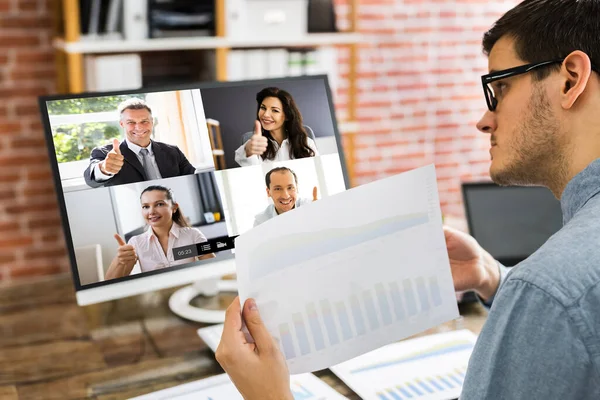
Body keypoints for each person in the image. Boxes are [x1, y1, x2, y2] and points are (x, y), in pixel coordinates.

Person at [215, 0, 600, 399]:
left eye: (500, 88)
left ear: (570, 80)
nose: (484, 119)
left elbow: (562, 302)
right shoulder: (555, 290)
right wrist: (495, 278)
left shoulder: (550, 290)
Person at [104, 185, 215, 280]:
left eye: (159, 204)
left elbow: (214, 268)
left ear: (174, 208)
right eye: (146, 206)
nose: (151, 211)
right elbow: (109, 284)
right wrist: (119, 261)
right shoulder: (135, 243)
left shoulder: (193, 235)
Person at [83, 98, 196, 188]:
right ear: (122, 124)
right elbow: (90, 180)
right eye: (131, 122)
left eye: (144, 121)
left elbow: (193, 180)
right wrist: (103, 168)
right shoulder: (106, 153)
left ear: (152, 122)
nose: (139, 127)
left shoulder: (173, 151)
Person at [234, 87, 319, 167]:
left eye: (275, 110)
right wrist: (248, 151)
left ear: (287, 116)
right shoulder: (255, 144)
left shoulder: (306, 143)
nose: (265, 114)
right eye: (263, 108)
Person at [253, 167, 318, 227]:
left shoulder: (310, 207)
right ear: (268, 192)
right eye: (278, 189)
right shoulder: (261, 222)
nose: (285, 196)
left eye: (290, 188)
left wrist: (319, 215)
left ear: (297, 188)